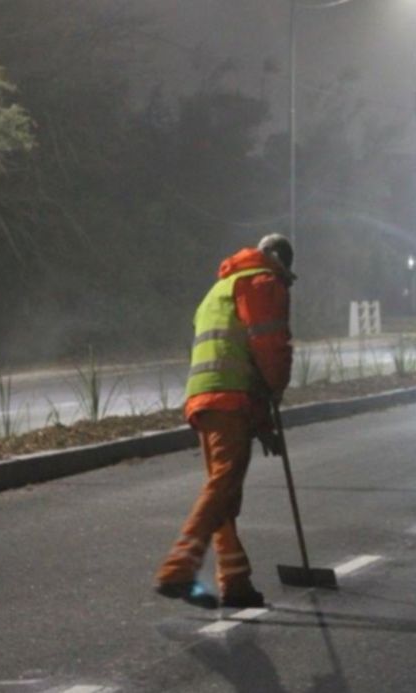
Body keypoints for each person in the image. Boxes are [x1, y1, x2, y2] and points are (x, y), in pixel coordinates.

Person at [154, 234, 295, 610]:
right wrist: (277, 390)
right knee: (223, 486)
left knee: (223, 492)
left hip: (203, 396)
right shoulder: (262, 283)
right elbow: (268, 349)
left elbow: (235, 347)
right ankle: (179, 566)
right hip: (230, 396)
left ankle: (235, 581)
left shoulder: (221, 287)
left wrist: (263, 426)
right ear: (280, 261)